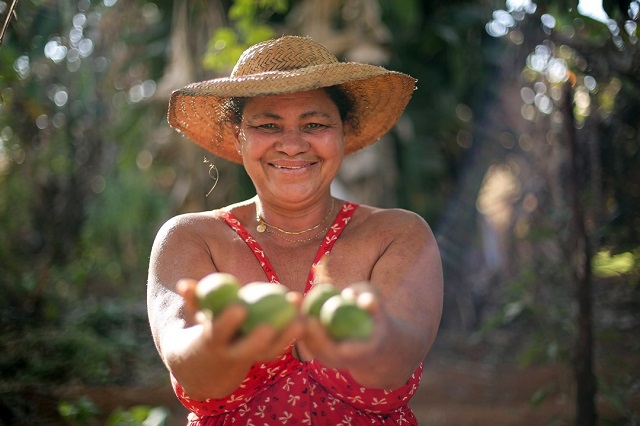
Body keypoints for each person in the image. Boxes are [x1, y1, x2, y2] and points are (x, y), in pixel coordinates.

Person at [147, 35, 443, 425]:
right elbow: (193, 372)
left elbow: (393, 365)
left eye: (315, 123)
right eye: (268, 125)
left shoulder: (397, 234)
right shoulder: (192, 238)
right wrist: (219, 341)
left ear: (343, 132)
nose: (291, 144)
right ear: (240, 136)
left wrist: (370, 338)